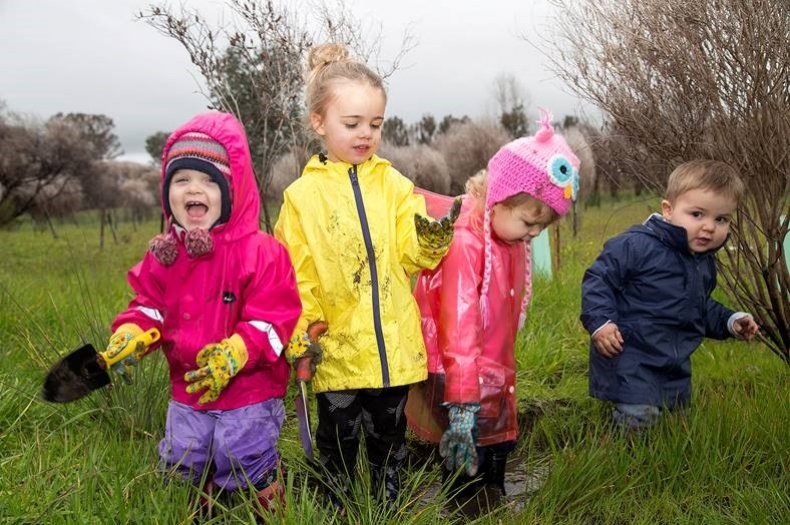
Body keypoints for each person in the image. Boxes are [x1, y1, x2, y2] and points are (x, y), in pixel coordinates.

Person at [273, 42, 460, 506]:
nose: (366, 134)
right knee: (338, 441)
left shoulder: (394, 185)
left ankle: (385, 505)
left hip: (392, 351)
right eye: (352, 124)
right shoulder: (301, 198)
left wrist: (430, 240)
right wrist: (304, 333)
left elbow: (411, 253)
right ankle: (336, 506)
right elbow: (296, 274)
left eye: (375, 124)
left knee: (388, 439)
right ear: (319, 122)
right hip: (334, 351)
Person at [100, 111, 301, 516]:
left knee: (245, 456)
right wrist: (132, 334)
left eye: (210, 180)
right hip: (187, 390)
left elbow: (274, 316)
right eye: (183, 179)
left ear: (233, 189)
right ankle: (196, 511)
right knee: (183, 458)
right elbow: (147, 306)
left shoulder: (261, 252)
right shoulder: (165, 256)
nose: (195, 189)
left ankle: (273, 511)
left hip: (249, 393)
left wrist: (238, 351)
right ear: (166, 190)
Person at [406, 111, 580, 502]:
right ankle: (468, 504)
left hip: (494, 367)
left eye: (542, 228)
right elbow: (459, 330)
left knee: (500, 444)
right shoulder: (467, 244)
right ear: (499, 199)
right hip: (458, 372)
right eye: (528, 223)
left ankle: (493, 497)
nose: (533, 234)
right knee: (471, 453)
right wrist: (463, 403)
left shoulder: (510, 238)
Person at [580, 159, 760, 431]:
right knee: (639, 417)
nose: (709, 227)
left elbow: (699, 307)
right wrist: (602, 323)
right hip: (632, 352)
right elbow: (599, 279)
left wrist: (730, 321)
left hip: (674, 362)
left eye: (721, 219)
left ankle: (658, 460)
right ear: (669, 210)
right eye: (697, 214)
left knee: (673, 423)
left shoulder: (702, 262)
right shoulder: (637, 245)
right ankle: (628, 466)